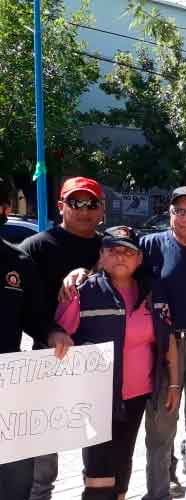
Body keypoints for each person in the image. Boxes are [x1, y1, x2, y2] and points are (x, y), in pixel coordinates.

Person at [60, 186, 186, 500]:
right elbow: (117, 258)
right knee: (160, 427)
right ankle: (158, 492)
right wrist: (80, 273)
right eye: (179, 211)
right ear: (170, 214)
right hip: (162, 347)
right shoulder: (150, 245)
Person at [50, 226, 180, 500]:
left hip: (136, 395)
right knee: (99, 473)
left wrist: (174, 384)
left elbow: (168, 342)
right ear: (101, 255)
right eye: (113, 250)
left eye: (128, 251)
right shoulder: (82, 291)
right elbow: (58, 341)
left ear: (139, 259)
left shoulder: (153, 293)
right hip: (96, 399)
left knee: (122, 463)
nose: (121, 256)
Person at [19, 176, 106, 500]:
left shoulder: (110, 247)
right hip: (50, 355)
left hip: (100, 357)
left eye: (91, 203)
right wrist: (51, 331)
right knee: (45, 442)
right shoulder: (36, 247)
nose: (84, 210)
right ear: (61, 207)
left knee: (98, 439)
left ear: (102, 209)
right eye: (76, 202)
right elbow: (24, 308)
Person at [0, 176, 51, 499]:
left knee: (15, 477)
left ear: (3, 209)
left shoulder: (18, 262)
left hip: (8, 384)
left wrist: (55, 334)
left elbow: (37, 319)